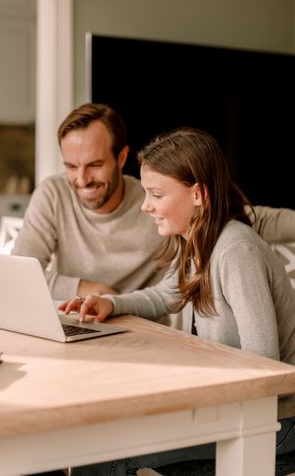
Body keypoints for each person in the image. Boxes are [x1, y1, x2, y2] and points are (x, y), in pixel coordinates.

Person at [60, 127, 295, 476]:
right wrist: (111, 303)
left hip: (273, 424)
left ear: (198, 194)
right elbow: (166, 294)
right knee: (96, 429)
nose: (145, 205)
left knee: (104, 448)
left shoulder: (235, 250)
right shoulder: (196, 239)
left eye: (156, 194)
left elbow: (264, 368)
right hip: (229, 408)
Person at [12, 103, 295, 302]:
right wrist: (89, 289)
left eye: (95, 165)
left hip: (143, 327)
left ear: (122, 158)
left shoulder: (163, 203)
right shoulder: (53, 193)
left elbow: (251, 218)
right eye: (71, 166)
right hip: (80, 316)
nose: (82, 179)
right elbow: (20, 273)